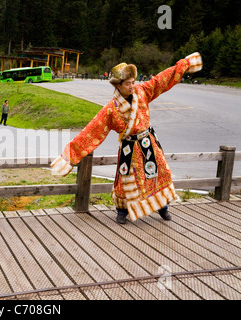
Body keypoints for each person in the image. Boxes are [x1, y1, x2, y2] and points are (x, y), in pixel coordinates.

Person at [51, 52, 202, 224]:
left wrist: (183, 64)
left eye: (133, 82)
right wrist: (69, 156)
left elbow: (162, 80)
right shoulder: (111, 109)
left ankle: (163, 206)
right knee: (125, 180)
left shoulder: (143, 92)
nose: (132, 86)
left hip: (148, 143)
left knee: (160, 173)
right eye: (128, 84)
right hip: (129, 148)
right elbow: (91, 132)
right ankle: (122, 211)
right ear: (118, 86)